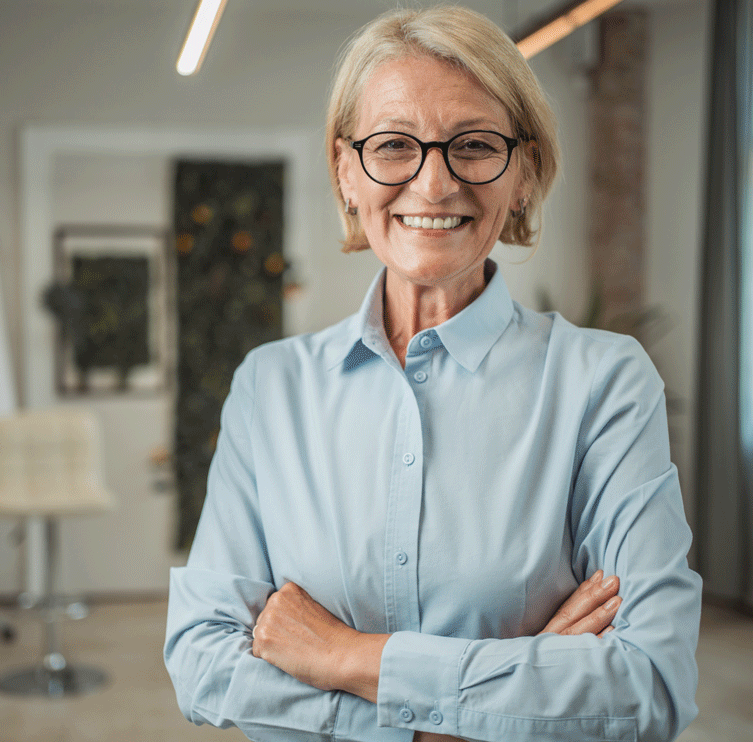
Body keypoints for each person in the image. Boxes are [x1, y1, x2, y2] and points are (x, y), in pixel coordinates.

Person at [165, 6, 701, 741]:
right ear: (345, 171)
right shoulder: (270, 387)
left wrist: (346, 657)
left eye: (475, 145)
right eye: (393, 146)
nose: (435, 182)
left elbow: (651, 685)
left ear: (525, 171)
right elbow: (203, 661)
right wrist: (467, 711)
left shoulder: (602, 382)